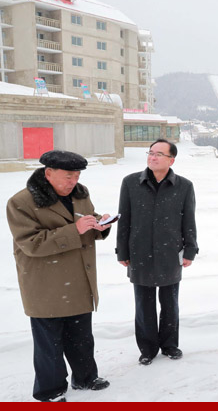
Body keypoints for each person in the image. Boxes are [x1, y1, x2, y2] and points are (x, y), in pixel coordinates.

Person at [6, 150, 111, 402]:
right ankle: (50, 390)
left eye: (76, 176)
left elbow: (85, 221)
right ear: (48, 173)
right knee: (49, 344)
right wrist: (74, 229)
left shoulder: (80, 194)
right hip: (46, 284)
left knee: (82, 336)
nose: (73, 182)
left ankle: (85, 377)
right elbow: (31, 243)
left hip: (79, 277)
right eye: (67, 176)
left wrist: (99, 224)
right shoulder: (21, 202)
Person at [116, 139, 198, 366]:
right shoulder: (131, 183)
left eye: (159, 154)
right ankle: (147, 348)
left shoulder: (183, 186)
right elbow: (124, 219)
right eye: (151, 153)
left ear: (171, 160)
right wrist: (122, 251)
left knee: (170, 302)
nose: (153, 157)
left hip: (170, 252)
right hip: (139, 252)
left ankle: (170, 345)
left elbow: (189, 221)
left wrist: (190, 249)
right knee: (144, 303)